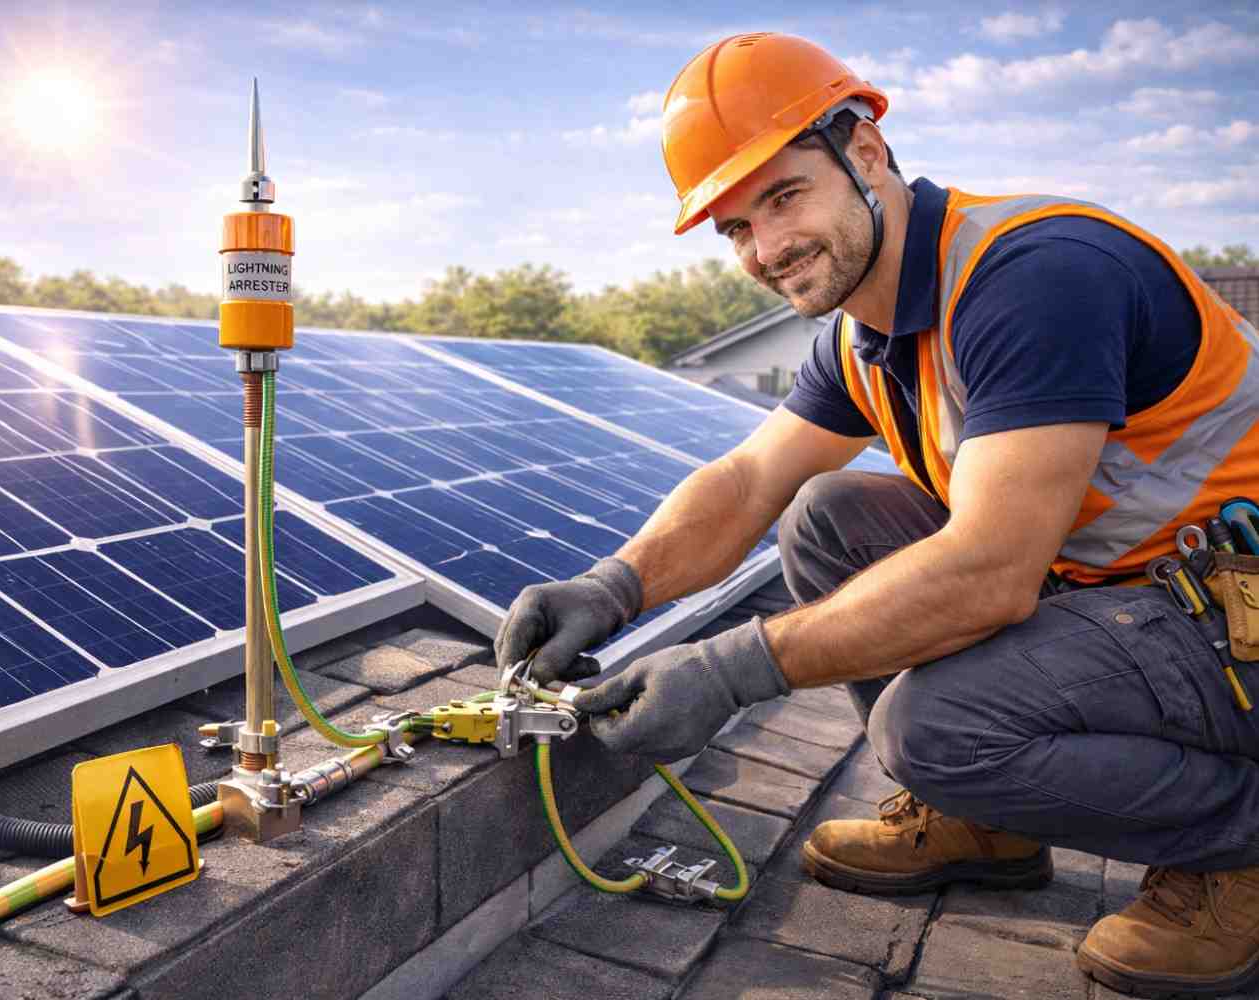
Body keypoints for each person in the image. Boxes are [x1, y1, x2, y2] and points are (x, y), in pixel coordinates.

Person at [495, 31, 1259, 998]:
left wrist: (731, 670)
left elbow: (988, 571)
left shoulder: (1036, 275)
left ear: (864, 155)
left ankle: (1237, 842)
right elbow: (750, 480)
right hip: (1136, 595)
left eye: (783, 196)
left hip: (1234, 618)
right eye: (734, 228)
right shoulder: (872, 324)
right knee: (826, 515)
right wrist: (614, 588)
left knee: (933, 727)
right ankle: (987, 823)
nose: (767, 249)